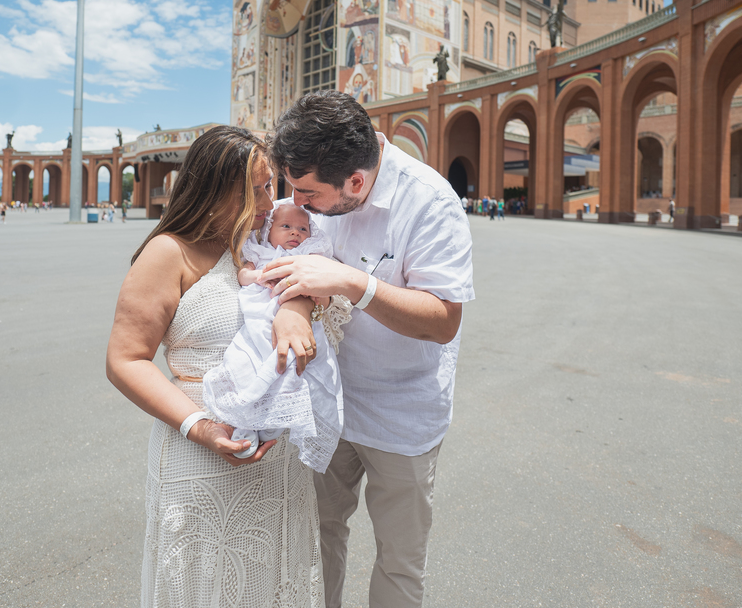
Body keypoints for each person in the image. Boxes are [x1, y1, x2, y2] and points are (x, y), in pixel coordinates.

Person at [264, 91, 474, 608]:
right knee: (317, 539)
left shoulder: (430, 201)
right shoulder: (317, 189)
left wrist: (355, 283)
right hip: (328, 406)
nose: (299, 207)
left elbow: (444, 320)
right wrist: (294, 307)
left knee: (399, 562)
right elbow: (293, 268)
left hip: (401, 415)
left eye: (309, 196)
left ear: (355, 182)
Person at [106, 126, 325, 607]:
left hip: (276, 458)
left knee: (274, 579)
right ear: (219, 186)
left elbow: (309, 282)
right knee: (205, 582)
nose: (273, 201)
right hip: (200, 449)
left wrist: (296, 310)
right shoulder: (169, 251)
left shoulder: (258, 244)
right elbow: (125, 360)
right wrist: (199, 426)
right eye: (261, 187)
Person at [203, 203, 348, 471]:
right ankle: (245, 424)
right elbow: (244, 275)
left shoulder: (310, 255)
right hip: (260, 317)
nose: (295, 233)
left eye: (302, 228)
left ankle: (272, 427)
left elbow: (326, 290)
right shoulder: (259, 252)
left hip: (300, 321)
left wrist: (315, 296)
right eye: (286, 227)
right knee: (249, 361)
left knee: (295, 367)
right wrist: (258, 275)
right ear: (269, 231)